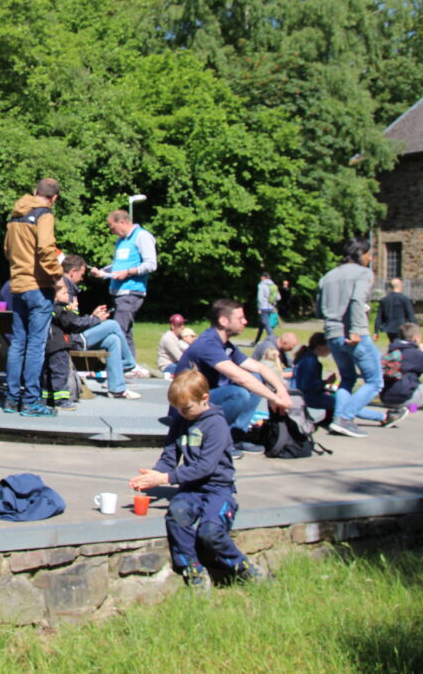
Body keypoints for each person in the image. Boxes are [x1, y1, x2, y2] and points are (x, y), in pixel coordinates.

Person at [129, 370, 265, 590]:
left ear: (205, 399)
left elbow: (205, 467)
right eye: (178, 409)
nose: (183, 414)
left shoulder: (217, 425)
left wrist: (166, 478)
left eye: (187, 408)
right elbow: (170, 456)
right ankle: (192, 568)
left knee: (210, 531)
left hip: (217, 489)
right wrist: (154, 475)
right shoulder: (181, 421)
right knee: (176, 515)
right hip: (191, 488)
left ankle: (241, 566)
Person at [177, 299, 293, 456]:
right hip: (187, 405)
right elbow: (240, 378)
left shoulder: (225, 345)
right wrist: (274, 398)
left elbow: (259, 367)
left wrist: (280, 390)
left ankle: (235, 436)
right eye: (240, 318)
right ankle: (213, 440)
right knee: (238, 393)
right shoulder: (207, 344)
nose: (245, 321)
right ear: (223, 321)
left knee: (257, 378)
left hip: (207, 398)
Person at [3, 178, 63, 417]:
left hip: (17, 286)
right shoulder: (44, 215)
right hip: (38, 287)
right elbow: (46, 249)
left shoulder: (14, 216)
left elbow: (7, 250)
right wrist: (57, 277)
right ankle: (31, 402)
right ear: (54, 198)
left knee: (18, 343)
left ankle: (11, 398)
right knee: (35, 346)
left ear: (35, 191)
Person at [317, 238, 386, 438]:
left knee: (347, 378)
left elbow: (319, 307)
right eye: (369, 254)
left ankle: (339, 419)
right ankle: (345, 418)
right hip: (354, 334)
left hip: (332, 333)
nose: (371, 258)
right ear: (361, 254)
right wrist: (355, 329)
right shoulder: (364, 273)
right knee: (374, 381)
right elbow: (357, 300)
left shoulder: (328, 276)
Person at [49, 279, 141, 402]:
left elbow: (75, 322)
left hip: (77, 337)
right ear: (56, 296)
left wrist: (93, 316)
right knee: (113, 324)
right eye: (65, 294)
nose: (69, 296)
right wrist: (96, 319)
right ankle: (129, 363)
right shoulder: (58, 308)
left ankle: (117, 389)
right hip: (75, 340)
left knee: (113, 340)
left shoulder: (63, 307)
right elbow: (75, 324)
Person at [90, 210, 157, 360]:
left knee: (118, 331)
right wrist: (101, 272)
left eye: (112, 227)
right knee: (125, 333)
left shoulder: (142, 236)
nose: (111, 231)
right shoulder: (121, 241)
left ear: (122, 222)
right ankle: (130, 365)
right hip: (118, 293)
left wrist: (128, 272)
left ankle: (121, 367)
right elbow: (117, 266)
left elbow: (151, 264)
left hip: (131, 292)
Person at [292, 333, 337, 427]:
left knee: (336, 398)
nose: (330, 350)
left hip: (305, 395)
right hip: (308, 397)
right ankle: (376, 416)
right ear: (320, 346)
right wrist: (326, 382)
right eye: (328, 346)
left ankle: (328, 419)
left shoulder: (307, 358)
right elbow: (308, 385)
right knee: (344, 404)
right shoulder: (310, 362)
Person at [373, 279, 417, 344]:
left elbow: (379, 317)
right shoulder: (404, 299)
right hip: (402, 328)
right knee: (401, 346)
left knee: (393, 344)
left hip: (389, 328)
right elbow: (411, 315)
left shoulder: (384, 300)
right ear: (399, 286)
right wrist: (415, 330)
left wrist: (376, 331)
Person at [252, 272, 281, 344]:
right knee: (262, 324)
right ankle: (256, 341)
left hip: (263, 307)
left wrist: (259, 307)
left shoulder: (262, 285)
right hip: (271, 307)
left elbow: (260, 298)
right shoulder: (273, 286)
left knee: (266, 324)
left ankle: (274, 340)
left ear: (264, 277)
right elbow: (279, 297)